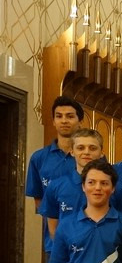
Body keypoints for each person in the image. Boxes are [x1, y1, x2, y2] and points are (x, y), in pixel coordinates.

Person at [26, 96, 81, 255]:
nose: (64, 121)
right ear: (53, 121)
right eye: (59, 116)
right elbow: (38, 199)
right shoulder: (39, 158)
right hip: (54, 241)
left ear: (80, 121)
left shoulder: (90, 157)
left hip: (87, 239)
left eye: (70, 116)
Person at [40, 129, 105, 241]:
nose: (86, 152)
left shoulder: (111, 187)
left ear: (102, 153)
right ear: (72, 152)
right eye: (80, 148)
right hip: (65, 249)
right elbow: (53, 228)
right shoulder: (56, 186)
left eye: (92, 148)